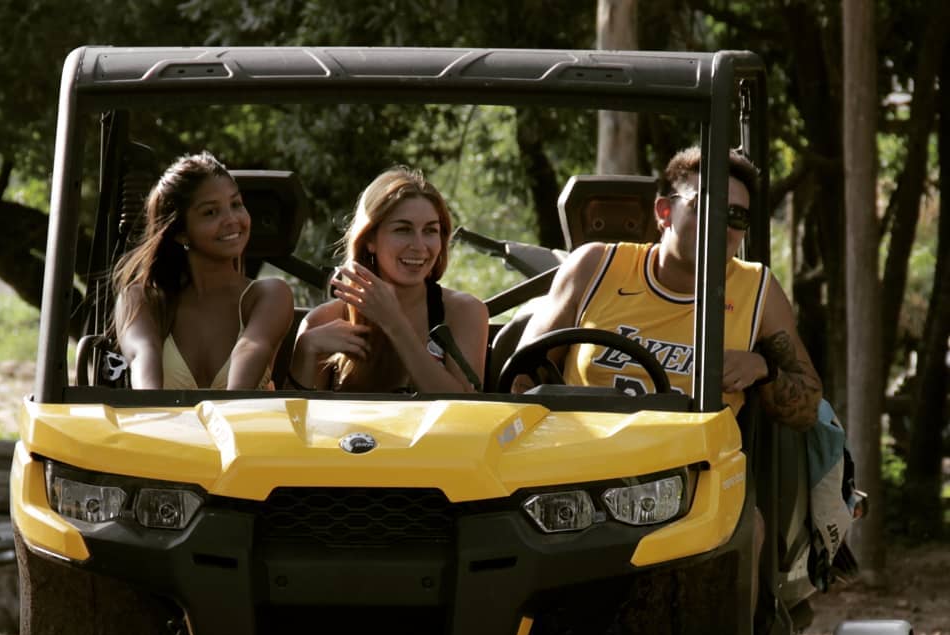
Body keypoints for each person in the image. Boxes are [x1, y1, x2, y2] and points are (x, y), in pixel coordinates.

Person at [519, 146, 823, 431]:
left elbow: (809, 408)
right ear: (664, 212)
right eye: (704, 206)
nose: (721, 225)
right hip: (579, 455)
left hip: (691, 465)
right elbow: (520, 377)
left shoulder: (757, 290)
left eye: (737, 216)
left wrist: (763, 369)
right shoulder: (595, 267)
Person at [287, 166, 488, 393]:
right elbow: (293, 414)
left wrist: (395, 323)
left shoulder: (464, 311)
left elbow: (464, 407)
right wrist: (305, 350)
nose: (419, 246)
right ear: (370, 239)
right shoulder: (324, 320)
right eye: (403, 230)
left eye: (430, 231)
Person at [113, 151, 294, 391]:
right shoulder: (141, 300)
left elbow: (251, 349)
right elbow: (143, 364)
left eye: (236, 204)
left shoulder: (270, 295)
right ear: (181, 233)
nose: (232, 219)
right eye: (210, 212)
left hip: (240, 417)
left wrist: (226, 411)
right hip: (158, 417)